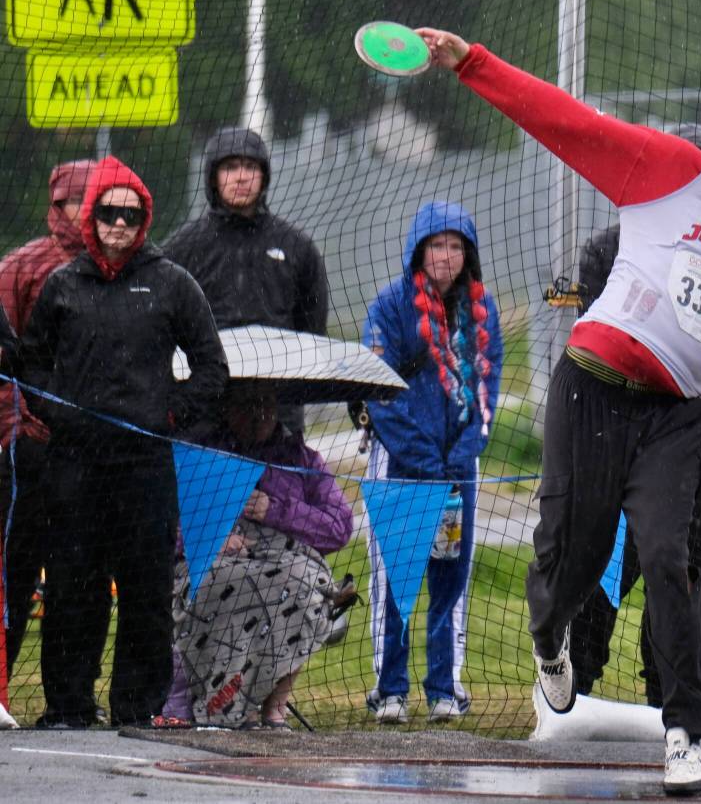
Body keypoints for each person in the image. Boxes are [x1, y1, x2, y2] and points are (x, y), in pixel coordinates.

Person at [415, 28, 701, 795]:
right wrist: (472, 64)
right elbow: (564, 120)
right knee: (574, 556)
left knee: (668, 559)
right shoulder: (675, 172)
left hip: (674, 417)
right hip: (589, 385)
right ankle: (548, 640)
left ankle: (684, 731)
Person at [19, 156, 228, 729]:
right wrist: (55, 412)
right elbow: (31, 364)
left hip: (144, 464)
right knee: (72, 590)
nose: (119, 225)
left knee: (145, 591)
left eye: (131, 215)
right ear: (91, 220)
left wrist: (170, 413)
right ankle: (68, 706)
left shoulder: (171, 282)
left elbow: (212, 367)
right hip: (75, 466)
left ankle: (136, 708)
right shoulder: (63, 285)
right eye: (109, 214)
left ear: (145, 220)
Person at [568, 124, 701, 705]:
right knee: (599, 583)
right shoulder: (612, 246)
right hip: (628, 457)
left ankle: (671, 707)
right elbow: (598, 349)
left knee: (687, 592)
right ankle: (572, 694)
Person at [362, 201, 503, 725]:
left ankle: (445, 687)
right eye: (437, 245)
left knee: (451, 580)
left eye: (455, 246)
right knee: (395, 582)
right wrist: (422, 457)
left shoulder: (482, 313)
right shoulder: (389, 307)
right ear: (418, 250)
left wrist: (462, 455)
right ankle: (389, 689)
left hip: (457, 475)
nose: (446, 256)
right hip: (398, 467)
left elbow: (487, 388)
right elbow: (378, 393)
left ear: (468, 254)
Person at [172, 382, 354, 729]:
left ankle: (274, 708)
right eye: (246, 404)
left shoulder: (303, 459)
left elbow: (339, 527)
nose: (258, 414)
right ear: (227, 407)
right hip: (216, 559)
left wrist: (277, 510)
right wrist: (211, 538)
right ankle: (227, 704)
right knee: (227, 584)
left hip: (284, 559)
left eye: (265, 403)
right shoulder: (202, 454)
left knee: (307, 585)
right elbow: (168, 521)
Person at [0, 160, 112, 678]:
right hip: (30, 446)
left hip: (95, 451)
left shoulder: (119, 268)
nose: (88, 210)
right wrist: (14, 428)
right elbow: (7, 359)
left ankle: (71, 697)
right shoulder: (21, 266)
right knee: (15, 573)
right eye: (79, 199)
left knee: (81, 578)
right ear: (58, 204)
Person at [164, 127, 329, 433]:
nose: (241, 177)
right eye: (230, 167)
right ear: (213, 176)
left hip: (278, 410)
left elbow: (312, 330)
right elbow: (163, 326)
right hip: (203, 411)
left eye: (251, 167)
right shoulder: (182, 248)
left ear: (264, 176)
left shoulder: (297, 247)